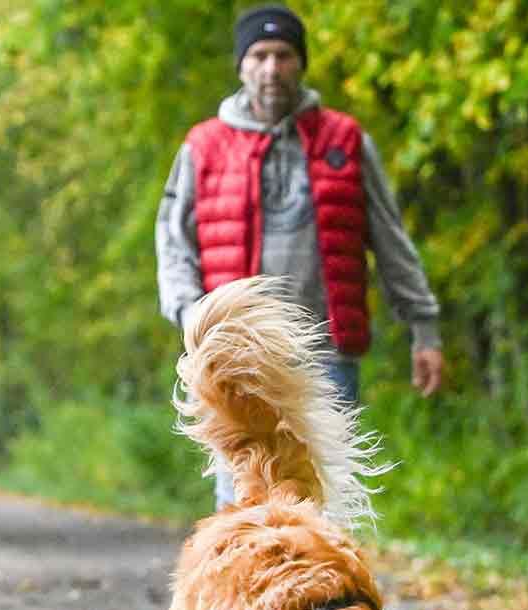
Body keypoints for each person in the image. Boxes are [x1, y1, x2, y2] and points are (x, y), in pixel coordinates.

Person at [156, 4, 443, 509]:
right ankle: (246, 588)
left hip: (326, 352)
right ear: (242, 65)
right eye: (260, 55)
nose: (272, 68)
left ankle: (318, 589)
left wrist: (424, 328)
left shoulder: (346, 143)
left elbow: (391, 240)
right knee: (242, 498)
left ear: (300, 63)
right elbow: (173, 245)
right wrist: (192, 317)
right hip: (236, 357)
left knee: (320, 500)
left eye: (283, 55)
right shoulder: (205, 146)